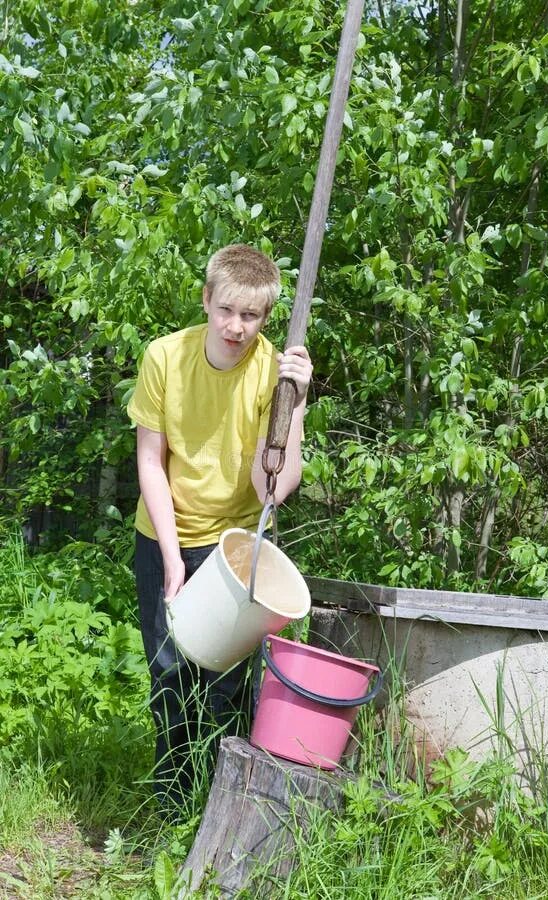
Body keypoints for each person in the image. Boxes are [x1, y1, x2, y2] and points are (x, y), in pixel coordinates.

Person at [127, 244, 312, 815]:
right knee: (169, 671)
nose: (237, 327)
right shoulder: (164, 357)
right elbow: (151, 461)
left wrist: (296, 405)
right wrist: (175, 556)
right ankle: (172, 804)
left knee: (228, 683)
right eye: (227, 310)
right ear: (207, 299)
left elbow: (272, 487)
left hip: (236, 545)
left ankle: (222, 805)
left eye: (251, 316)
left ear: (266, 316)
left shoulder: (272, 373)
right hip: (165, 534)